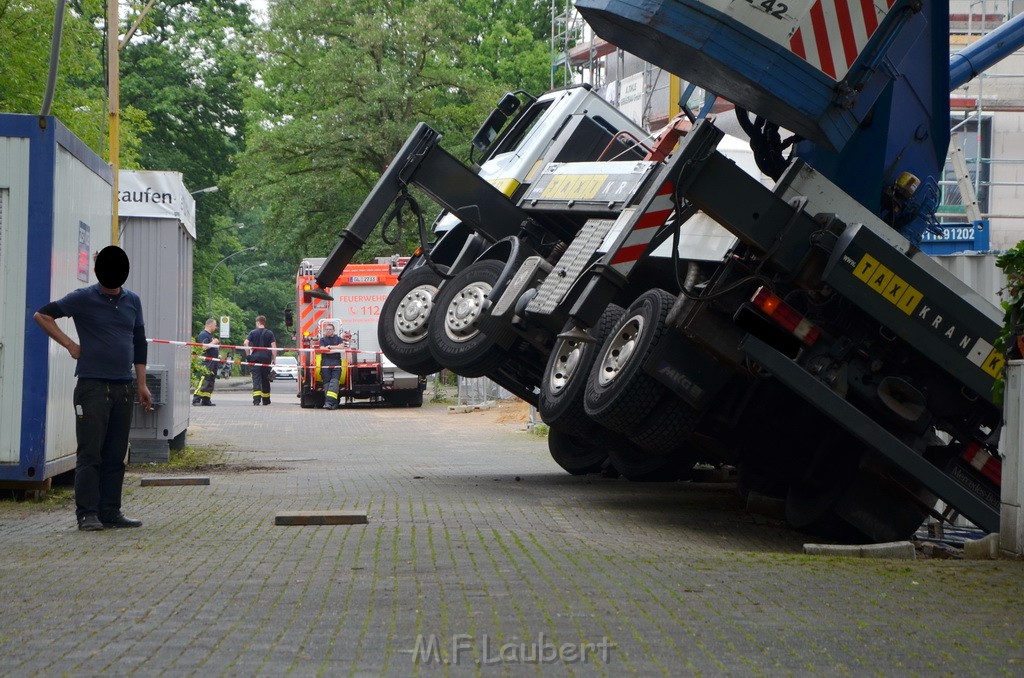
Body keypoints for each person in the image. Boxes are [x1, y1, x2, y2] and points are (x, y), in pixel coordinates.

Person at [33, 246, 153, 532]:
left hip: (123, 388)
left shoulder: (133, 301)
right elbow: (42, 316)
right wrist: (70, 345)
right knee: (90, 453)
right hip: (93, 387)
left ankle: (110, 510)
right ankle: (87, 513)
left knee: (115, 454)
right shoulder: (83, 298)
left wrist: (142, 383)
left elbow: (140, 343)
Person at [244, 315, 277, 405]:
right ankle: (266, 400)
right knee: (265, 379)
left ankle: (256, 400)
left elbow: (245, 343)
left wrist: (248, 355)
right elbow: (273, 347)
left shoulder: (252, 332)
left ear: (258, 322)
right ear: (264, 322)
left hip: (255, 358)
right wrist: (274, 359)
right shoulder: (270, 333)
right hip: (266, 358)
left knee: (256, 379)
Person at [318, 322, 348, 410]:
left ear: (334, 330)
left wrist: (330, 347)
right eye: (326, 329)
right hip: (325, 363)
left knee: (334, 383)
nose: (328, 331)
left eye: (330, 329)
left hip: (336, 362)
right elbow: (322, 349)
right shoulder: (322, 339)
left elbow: (342, 347)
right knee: (327, 384)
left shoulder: (338, 339)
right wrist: (335, 348)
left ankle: (329, 403)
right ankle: (332, 403)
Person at [192, 318, 219, 406]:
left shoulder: (209, 335)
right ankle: (196, 399)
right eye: (215, 325)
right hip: (206, 362)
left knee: (210, 381)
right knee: (204, 380)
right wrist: (214, 342)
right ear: (210, 325)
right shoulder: (203, 334)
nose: (216, 327)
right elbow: (203, 347)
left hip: (212, 362)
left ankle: (206, 399)